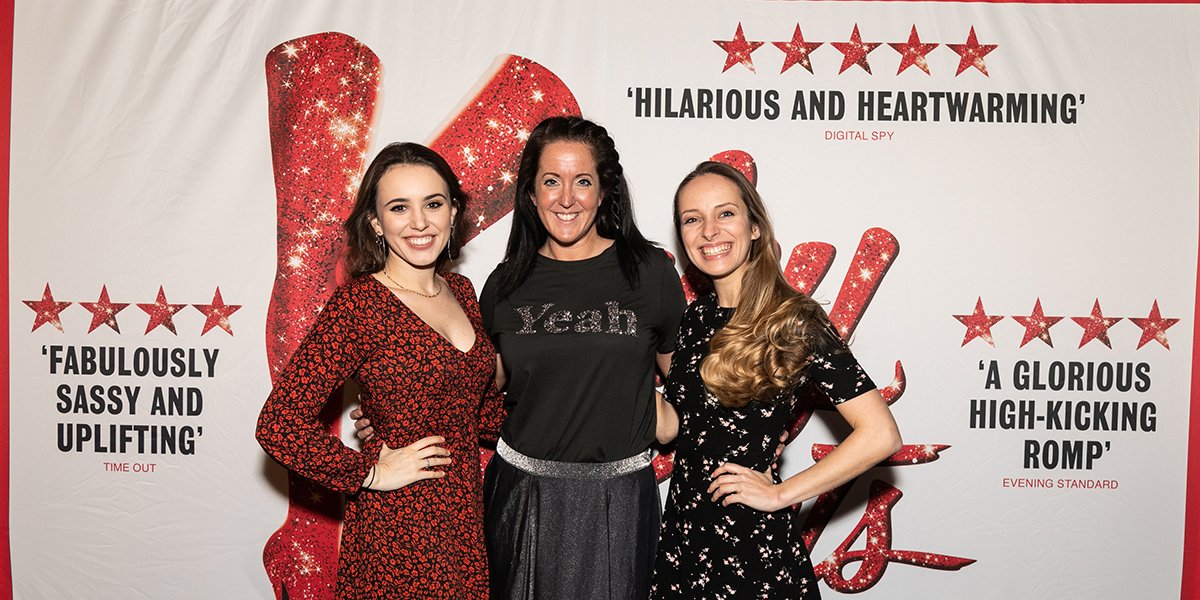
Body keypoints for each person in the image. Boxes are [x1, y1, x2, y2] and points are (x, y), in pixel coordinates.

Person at [256, 142, 503, 599]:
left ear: (453, 211)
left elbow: (482, 416)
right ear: (376, 222)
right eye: (399, 207)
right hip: (394, 531)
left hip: (463, 529)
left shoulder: (463, 293)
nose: (419, 222)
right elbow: (278, 425)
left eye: (433, 203)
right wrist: (369, 474)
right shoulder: (360, 305)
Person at [650, 161, 902, 599]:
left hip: (753, 546)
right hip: (683, 541)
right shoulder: (693, 319)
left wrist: (781, 494)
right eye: (693, 219)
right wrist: (616, 359)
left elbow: (880, 433)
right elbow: (675, 424)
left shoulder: (793, 320)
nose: (709, 230)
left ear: (754, 228)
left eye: (725, 213)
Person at [479, 115, 686, 599]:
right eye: (551, 181)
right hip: (521, 495)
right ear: (531, 193)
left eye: (583, 182)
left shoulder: (650, 273)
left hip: (620, 499)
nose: (566, 198)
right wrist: (389, 415)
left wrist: (756, 432)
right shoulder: (504, 285)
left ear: (604, 193)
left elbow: (690, 390)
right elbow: (472, 389)